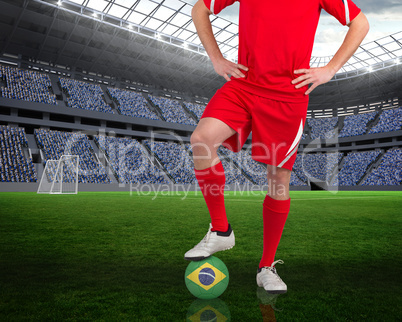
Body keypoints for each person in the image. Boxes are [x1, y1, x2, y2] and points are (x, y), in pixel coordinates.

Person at [185, 0, 369, 294]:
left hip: (287, 95)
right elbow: (200, 9)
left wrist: (329, 70)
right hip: (243, 85)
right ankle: (220, 229)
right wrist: (216, 58)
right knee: (201, 140)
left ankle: (266, 266)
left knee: (278, 179)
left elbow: (360, 23)